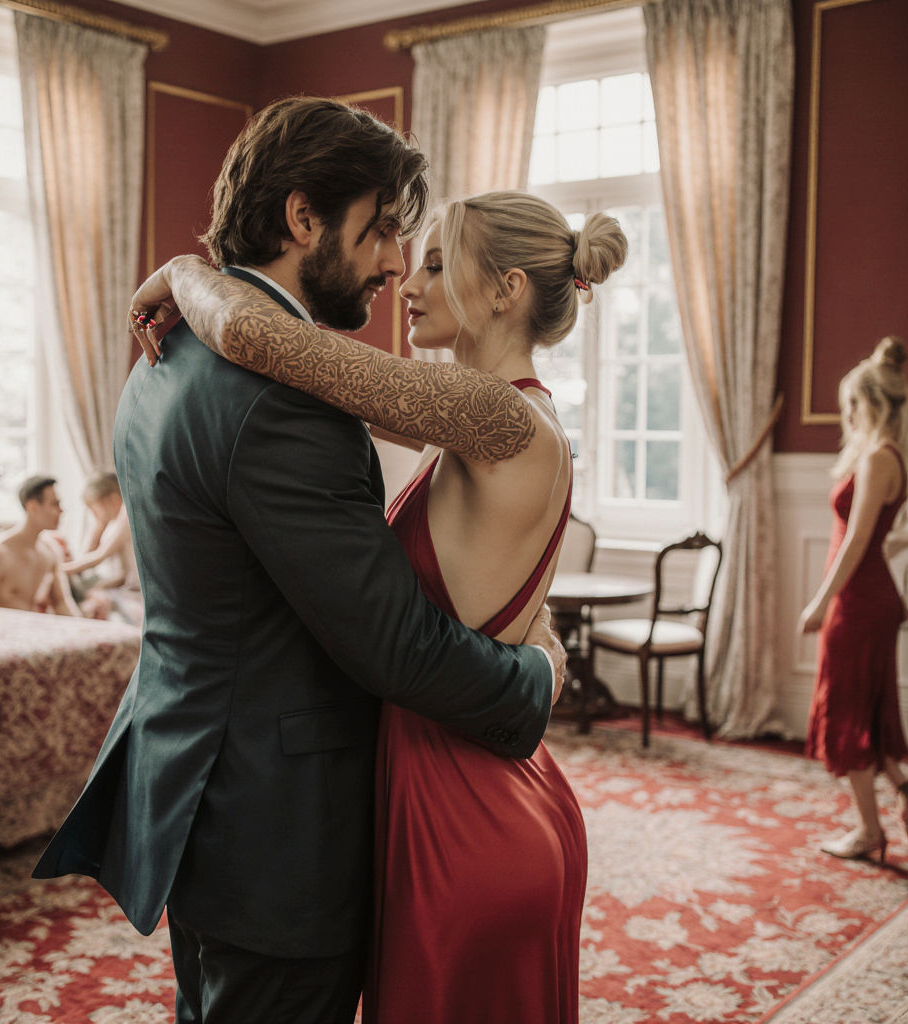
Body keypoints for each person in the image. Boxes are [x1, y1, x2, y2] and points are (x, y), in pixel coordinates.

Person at [33, 97, 566, 1024]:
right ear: (303, 217)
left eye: (424, 250)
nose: (397, 265)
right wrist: (537, 680)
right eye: (384, 233)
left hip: (206, 786)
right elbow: (394, 646)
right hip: (280, 827)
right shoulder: (272, 397)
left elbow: (279, 344)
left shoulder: (162, 360)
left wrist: (190, 276)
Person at [130, 190, 627, 1022]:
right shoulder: (494, 418)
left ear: (505, 291)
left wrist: (185, 270)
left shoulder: (492, 415)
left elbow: (262, 338)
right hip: (471, 782)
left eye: (435, 263)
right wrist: (540, 659)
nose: (407, 278)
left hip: (465, 809)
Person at [799, 335, 908, 864]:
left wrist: (821, 603)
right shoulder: (885, 457)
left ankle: (868, 831)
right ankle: (894, 806)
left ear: (872, 404)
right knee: (870, 709)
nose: (847, 415)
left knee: (850, 713)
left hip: (859, 602)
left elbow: (859, 541)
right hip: (869, 597)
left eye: (851, 405)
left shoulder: (879, 460)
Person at [0, 474, 81, 616]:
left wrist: (86, 630)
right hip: (5, 633)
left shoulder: (50, 550)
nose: (61, 510)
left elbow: (62, 603)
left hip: (37, 631)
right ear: (33, 507)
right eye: (54, 504)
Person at [63, 470, 142, 625]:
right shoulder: (114, 524)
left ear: (112, 499)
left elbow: (100, 555)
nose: (94, 514)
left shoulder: (129, 511)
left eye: (94, 508)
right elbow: (123, 575)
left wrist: (57, 568)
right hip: (130, 588)